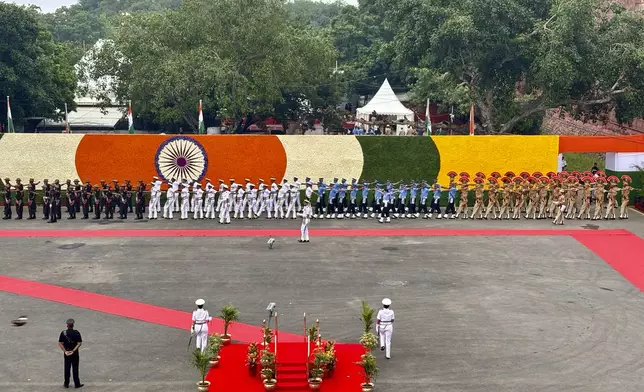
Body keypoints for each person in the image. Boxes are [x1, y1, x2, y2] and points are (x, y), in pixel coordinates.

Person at [58, 318, 83, 389]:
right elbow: (79, 343)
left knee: (67, 368)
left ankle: (66, 383)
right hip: (74, 354)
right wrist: (73, 350)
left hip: (67, 353)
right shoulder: (77, 333)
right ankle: (77, 384)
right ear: (73, 325)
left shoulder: (63, 333)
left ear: (67, 325)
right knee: (75, 368)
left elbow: (60, 343)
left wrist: (65, 351)